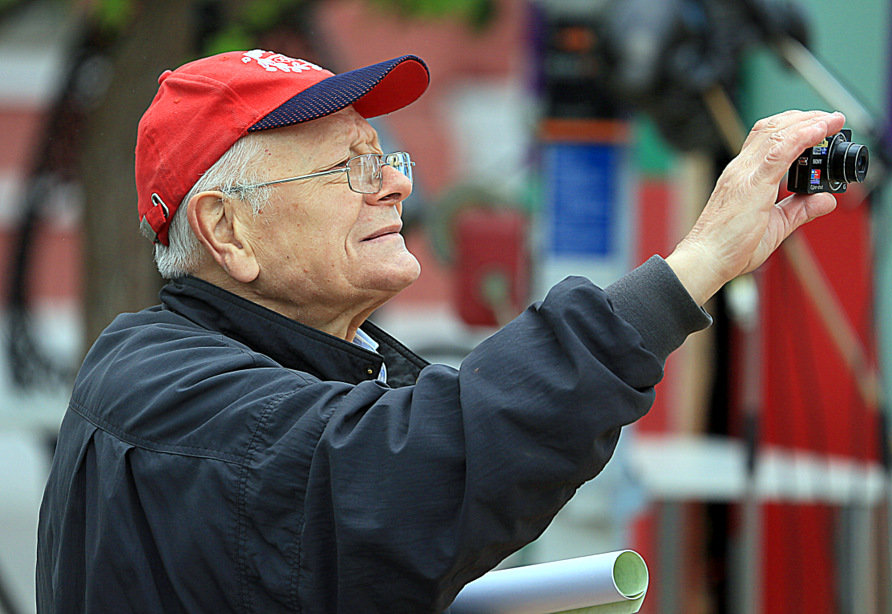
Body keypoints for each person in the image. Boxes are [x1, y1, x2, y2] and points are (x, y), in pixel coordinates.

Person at [35, 48, 845, 613]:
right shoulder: (168, 390)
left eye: (386, 157)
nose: (391, 183)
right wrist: (694, 265)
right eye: (349, 165)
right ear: (228, 232)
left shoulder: (235, 364)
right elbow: (418, 461)